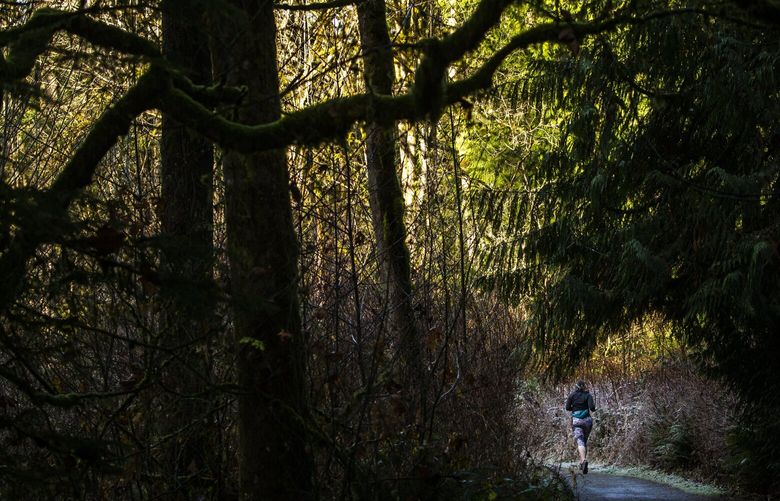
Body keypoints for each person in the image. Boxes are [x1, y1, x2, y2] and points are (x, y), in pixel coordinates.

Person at [565, 380, 595, 474]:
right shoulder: (588, 395)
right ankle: (583, 463)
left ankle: (583, 461)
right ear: (584, 387)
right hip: (587, 421)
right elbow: (592, 408)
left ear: (576, 387)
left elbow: (567, 408)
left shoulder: (571, 395)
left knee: (580, 441)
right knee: (584, 441)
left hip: (577, 421)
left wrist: (574, 408)